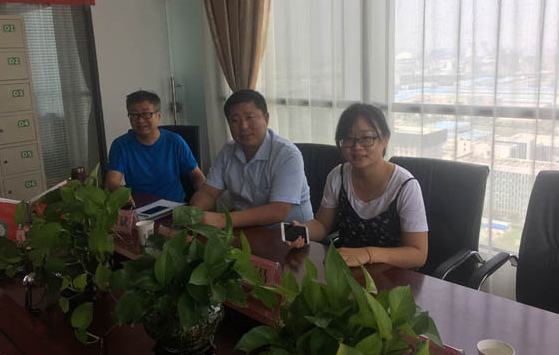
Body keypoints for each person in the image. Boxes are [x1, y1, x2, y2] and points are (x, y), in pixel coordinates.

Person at [288, 103, 428, 269]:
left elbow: (418, 254)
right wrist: (303, 230)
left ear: (385, 140)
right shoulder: (338, 176)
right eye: (348, 139)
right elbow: (322, 224)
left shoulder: (405, 186)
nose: (357, 147)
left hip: (393, 275)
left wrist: (367, 254)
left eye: (367, 138)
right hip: (347, 271)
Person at [190, 89, 312, 229]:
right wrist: (194, 213)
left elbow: (278, 211)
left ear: (266, 118)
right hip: (246, 229)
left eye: (249, 118)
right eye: (235, 120)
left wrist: (221, 220)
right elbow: (208, 193)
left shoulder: (287, 154)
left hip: (289, 234)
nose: (243, 126)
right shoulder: (227, 152)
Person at [106, 90, 205, 204]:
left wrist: (199, 206)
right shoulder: (120, 145)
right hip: (138, 207)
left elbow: (198, 177)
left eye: (146, 114)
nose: (140, 120)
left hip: (174, 206)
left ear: (158, 115)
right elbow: (112, 181)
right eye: (134, 115)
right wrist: (119, 190)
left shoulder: (175, 142)